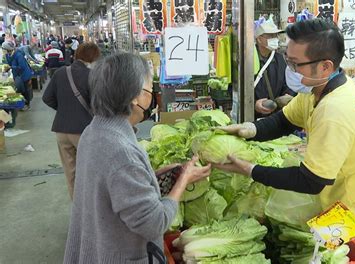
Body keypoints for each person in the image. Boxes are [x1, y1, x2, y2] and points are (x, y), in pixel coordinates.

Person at [215, 19, 355, 264]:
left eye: (295, 64)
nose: (289, 69)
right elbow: (284, 121)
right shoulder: (318, 90)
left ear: (325, 66)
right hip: (339, 211)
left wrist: (251, 170)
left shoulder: (335, 110)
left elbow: (311, 181)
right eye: (287, 60)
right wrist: (250, 130)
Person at [62, 53, 211, 263]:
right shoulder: (121, 152)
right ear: (134, 96)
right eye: (150, 90)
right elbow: (155, 223)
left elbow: (113, 188)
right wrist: (183, 181)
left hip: (97, 247)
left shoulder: (94, 130)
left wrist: (153, 177)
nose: (152, 97)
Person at [42, 43, 101, 199]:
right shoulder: (92, 76)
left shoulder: (61, 73)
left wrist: (63, 110)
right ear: (93, 58)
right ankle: (90, 207)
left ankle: (77, 207)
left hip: (61, 131)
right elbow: (100, 104)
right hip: (83, 131)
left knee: (71, 172)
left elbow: (46, 97)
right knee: (90, 171)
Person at [254, 21, 293, 119]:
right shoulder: (248, 59)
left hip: (275, 115)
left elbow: (287, 82)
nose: (275, 39)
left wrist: (287, 96)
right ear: (259, 39)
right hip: (252, 115)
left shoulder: (280, 59)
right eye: (270, 36)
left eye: (276, 36)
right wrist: (253, 104)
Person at [2, 41, 34, 110]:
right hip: (17, 75)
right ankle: (22, 103)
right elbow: (9, 64)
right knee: (19, 89)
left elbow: (22, 67)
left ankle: (27, 104)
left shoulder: (18, 55)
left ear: (8, 49)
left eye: (4, 49)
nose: (3, 50)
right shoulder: (8, 55)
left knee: (25, 89)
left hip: (24, 74)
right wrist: (6, 68)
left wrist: (11, 67)